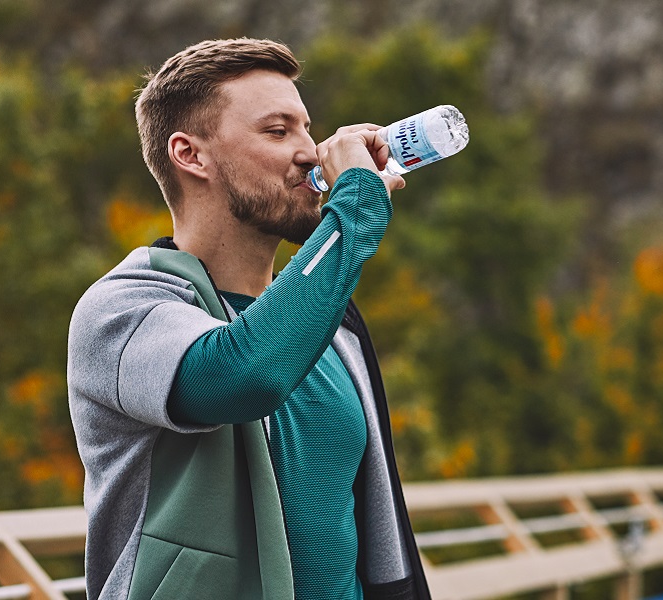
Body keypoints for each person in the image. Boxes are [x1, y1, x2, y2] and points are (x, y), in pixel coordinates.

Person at [67, 38, 429, 600]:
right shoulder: (123, 311)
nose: (310, 152)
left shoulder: (336, 331)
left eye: (307, 129)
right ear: (191, 155)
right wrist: (354, 207)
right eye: (277, 131)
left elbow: (377, 543)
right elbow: (245, 373)